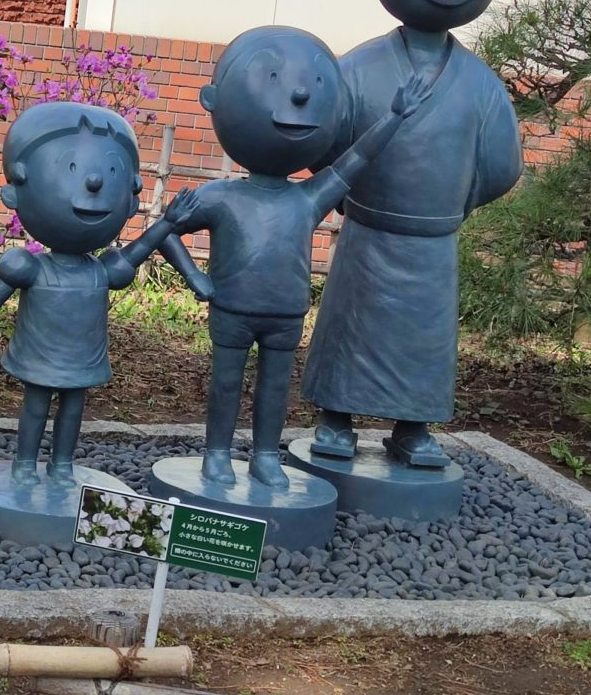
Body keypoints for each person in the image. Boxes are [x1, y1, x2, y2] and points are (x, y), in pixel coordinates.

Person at [303, 0, 524, 470]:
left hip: (433, 240)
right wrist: (343, 189)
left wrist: (455, 202)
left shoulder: (480, 83)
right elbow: (321, 139)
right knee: (350, 325)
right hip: (368, 232)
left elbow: (502, 165)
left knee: (424, 340)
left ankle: (413, 425)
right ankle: (335, 417)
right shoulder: (356, 69)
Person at [155, 25, 427, 489]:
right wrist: (195, 277)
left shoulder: (308, 197)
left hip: (285, 311)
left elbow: (355, 160)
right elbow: (165, 232)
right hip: (232, 308)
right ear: (215, 102)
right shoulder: (220, 197)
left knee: (276, 386)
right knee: (225, 382)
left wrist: (394, 117)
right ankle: (217, 453)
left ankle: (266, 455)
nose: (299, 95)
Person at [0, 102, 178, 486]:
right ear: (16, 190)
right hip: (40, 353)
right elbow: (1, 289)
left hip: (82, 356)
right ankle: (25, 462)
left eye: (111, 173)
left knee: (73, 408)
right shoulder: (29, 266)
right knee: (36, 405)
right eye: (71, 168)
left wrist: (167, 223)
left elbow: (138, 251)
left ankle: (62, 464)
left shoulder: (100, 270)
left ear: (130, 198)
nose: (93, 182)